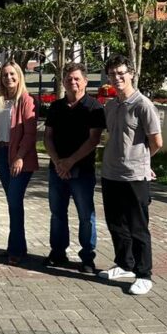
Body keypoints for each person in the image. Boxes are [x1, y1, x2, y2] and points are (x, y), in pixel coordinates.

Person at [98, 54, 162, 295]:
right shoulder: (111, 105)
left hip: (134, 177)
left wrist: (143, 162)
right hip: (110, 174)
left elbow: (156, 141)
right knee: (116, 224)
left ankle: (144, 274)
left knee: (138, 227)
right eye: (113, 74)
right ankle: (125, 264)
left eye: (121, 73)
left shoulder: (142, 105)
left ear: (131, 74)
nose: (117, 78)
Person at [43, 63, 105, 274]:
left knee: (86, 216)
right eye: (69, 79)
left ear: (85, 81)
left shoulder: (94, 107)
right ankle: (58, 252)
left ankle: (87, 257)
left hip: (82, 171)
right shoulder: (55, 107)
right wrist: (59, 161)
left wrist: (70, 161)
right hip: (57, 170)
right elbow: (47, 137)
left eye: (77, 78)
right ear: (63, 82)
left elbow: (93, 139)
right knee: (57, 214)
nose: (73, 82)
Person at [0, 60, 38, 266]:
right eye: (5, 75)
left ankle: (16, 250)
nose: (9, 78)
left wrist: (19, 156)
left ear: (19, 76)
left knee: (14, 202)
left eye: (12, 74)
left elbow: (30, 134)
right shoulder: (1, 100)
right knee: (13, 204)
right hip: (3, 154)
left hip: (19, 157)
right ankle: (17, 246)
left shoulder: (26, 100)